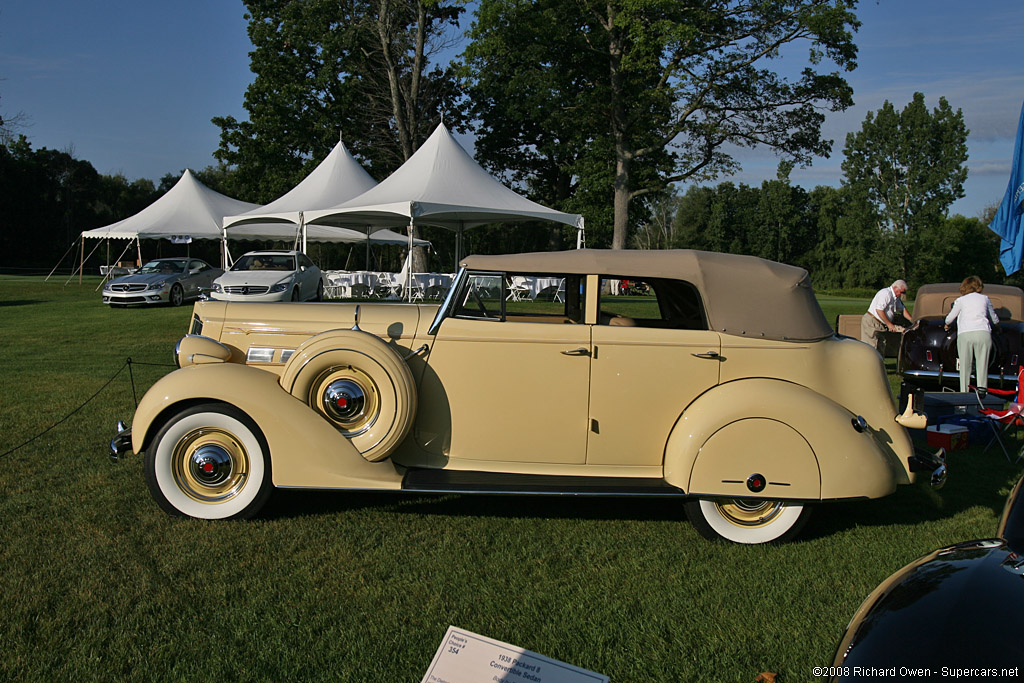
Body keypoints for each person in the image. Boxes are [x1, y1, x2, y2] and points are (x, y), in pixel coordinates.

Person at [944, 275, 999, 394]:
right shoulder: (985, 298)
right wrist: (998, 326)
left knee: (965, 367)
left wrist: (947, 324)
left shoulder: (961, 300)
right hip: (982, 333)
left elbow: (949, 318)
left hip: (965, 334)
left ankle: (964, 395)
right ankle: (982, 394)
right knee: (982, 366)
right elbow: (994, 318)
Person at [861, 280, 909, 353]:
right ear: (895, 287)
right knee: (871, 348)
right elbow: (879, 310)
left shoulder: (896, 298)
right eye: (902, 292)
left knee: (881, 348)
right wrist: (890, 325)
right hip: (872, 322)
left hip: (881, 324)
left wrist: (914, 320)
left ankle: (879, 364)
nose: (902, 294)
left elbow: (903, 310)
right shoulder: (885, 293)